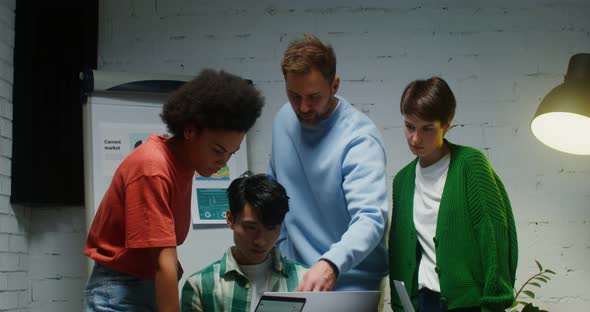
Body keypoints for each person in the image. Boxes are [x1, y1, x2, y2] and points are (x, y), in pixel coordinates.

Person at [83, 69, 264, 312]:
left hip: (141, 287)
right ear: (190, 131)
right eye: (218, 150)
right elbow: (163, 263)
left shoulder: (183, 163)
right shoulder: (153, 167)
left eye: (232, 153)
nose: (224, 162)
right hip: (120, 291)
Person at [268, 34, 389, 291]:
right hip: (295, 278)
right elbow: (273, 197)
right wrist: (280, 254)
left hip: (351, 281)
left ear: (335, 85)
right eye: (294, 96)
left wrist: (331, 263)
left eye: (313, 97)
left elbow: (370, 218)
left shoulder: (359, 140)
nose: (303, 107)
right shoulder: (283, 122)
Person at [388, 77, 518, 312]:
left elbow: (494, 234)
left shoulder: (469, 165)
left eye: (427, 129)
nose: (415, 139)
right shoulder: (402, 181)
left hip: (468, 305)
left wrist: (495, 303)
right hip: (423, 302)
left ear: (446, 124)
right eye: (409, 126)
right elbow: (398, 251)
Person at [180, 173, 308, 312]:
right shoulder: (200, 287)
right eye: (251, 228)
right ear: (230, 219)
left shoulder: (304, 279)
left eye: (271, 228)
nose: (261, 241)